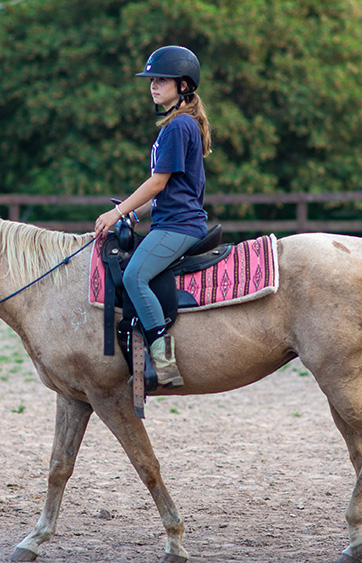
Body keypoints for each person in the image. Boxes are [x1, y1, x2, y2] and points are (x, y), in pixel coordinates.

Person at [94, 45, 212, 388]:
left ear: (184, 86)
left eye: (162, 80)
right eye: (151, 80)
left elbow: (157, 183)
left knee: (134, 277)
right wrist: (131, 217)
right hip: (171, 220)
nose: (153, 85)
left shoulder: (177, 128)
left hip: (180, 226)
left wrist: (117, 210)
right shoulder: (178, 126)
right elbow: (165, 191)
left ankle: (163, 361)